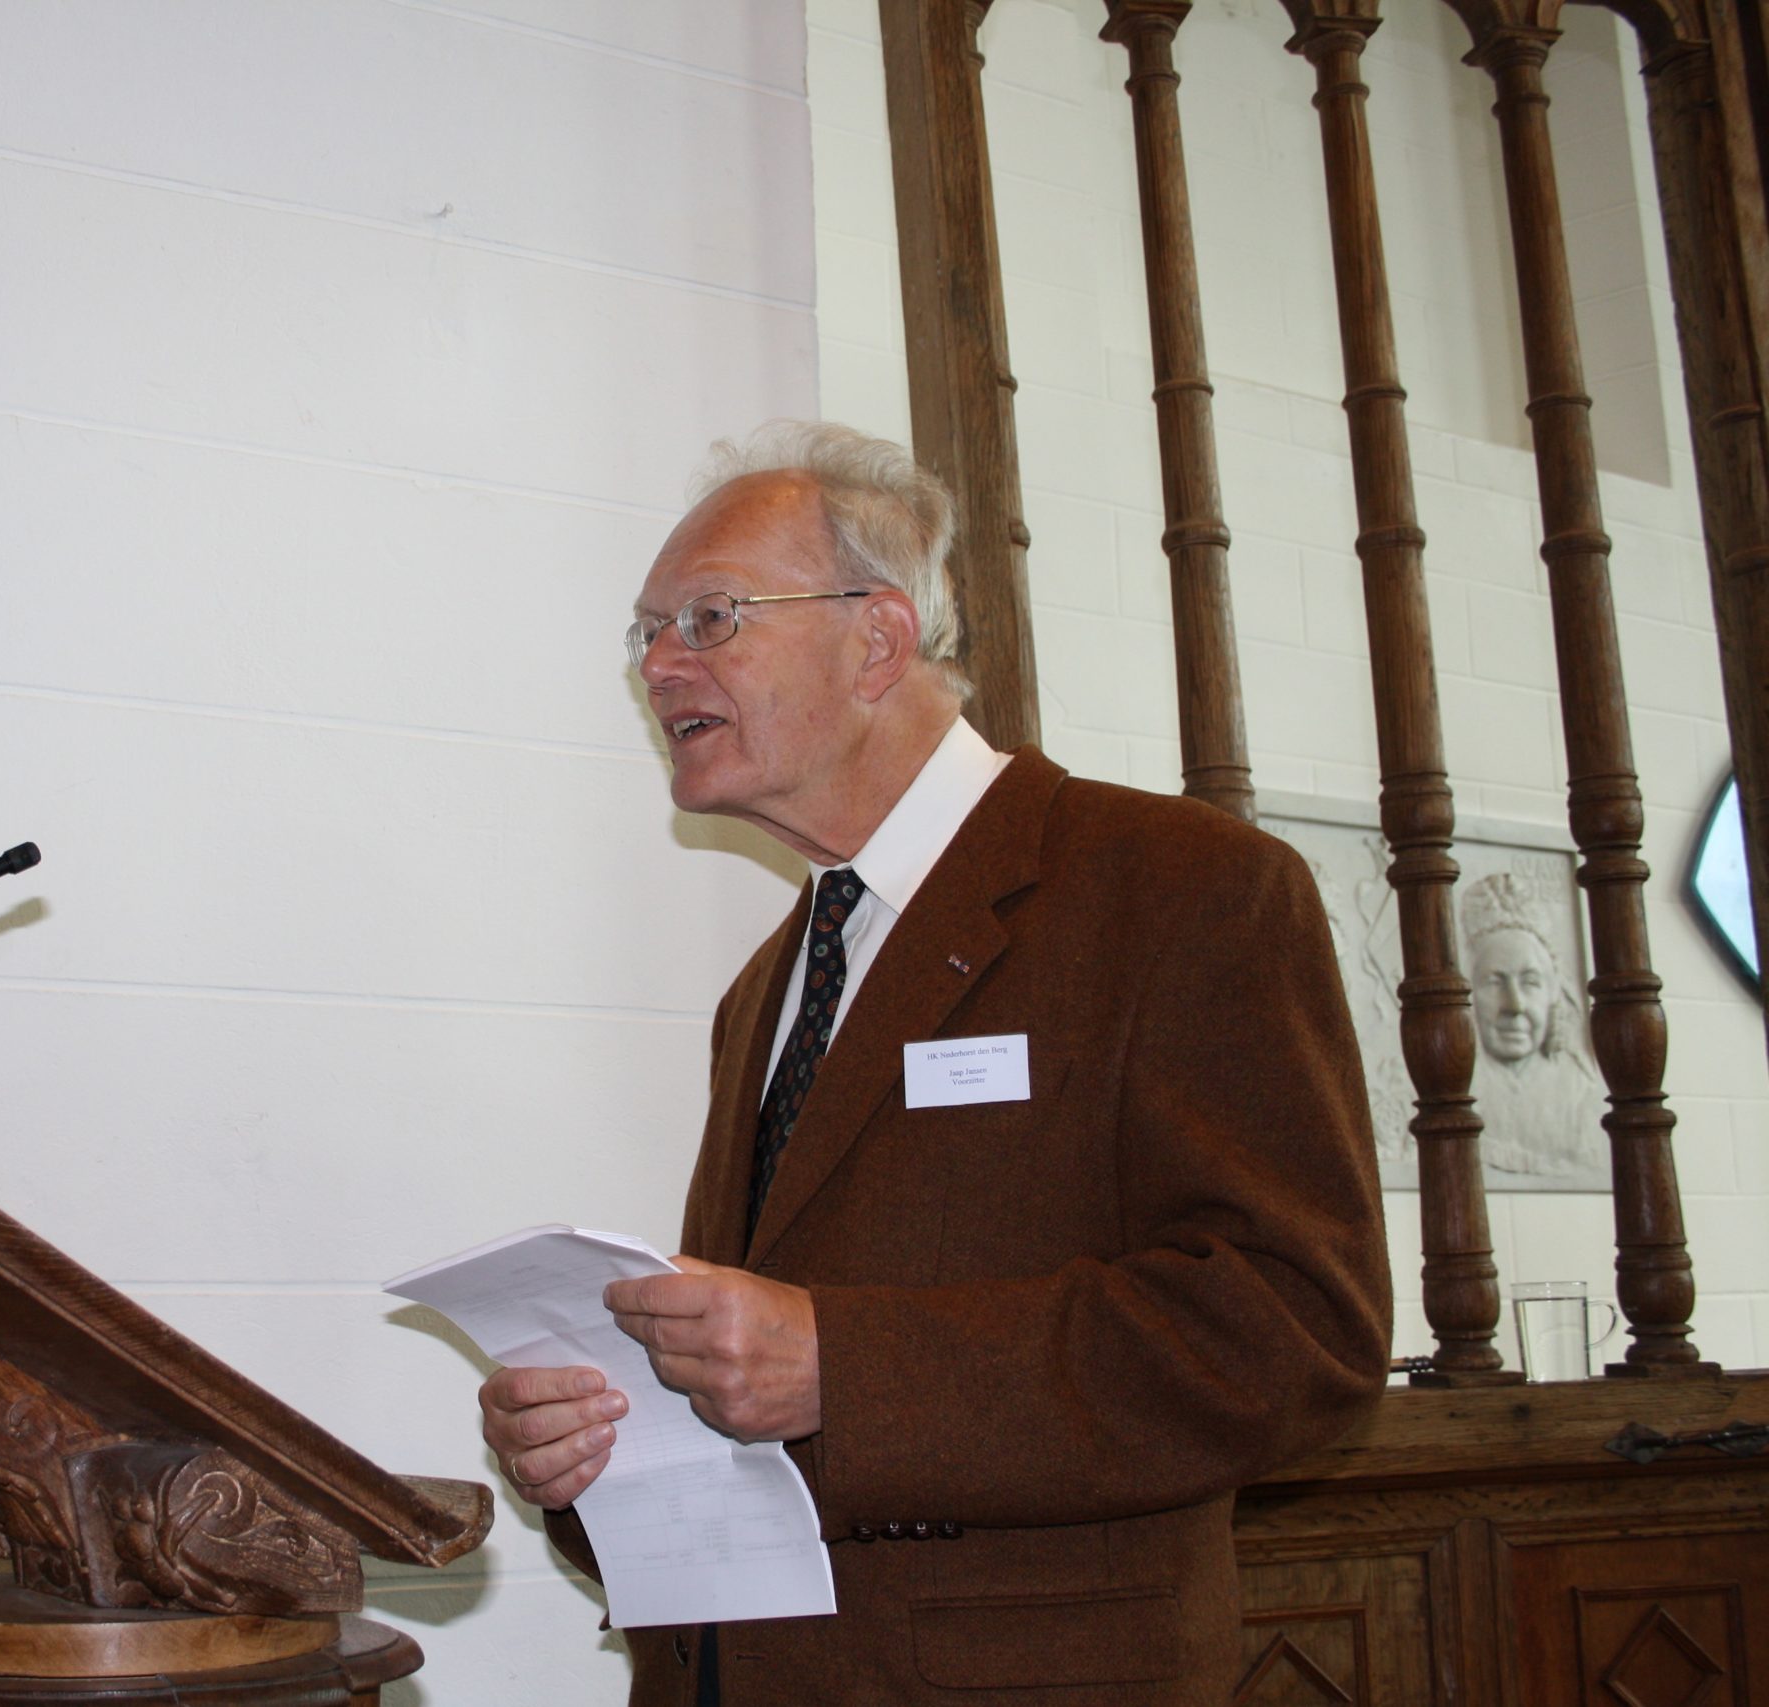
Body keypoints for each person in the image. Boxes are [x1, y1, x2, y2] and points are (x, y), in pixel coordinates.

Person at [478, 423, 1392, 1705]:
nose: (660, 664)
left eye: (710, 618)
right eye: (647, 633)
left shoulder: (1181, 889)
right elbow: (760, 1403)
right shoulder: (770, 986)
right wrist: (599, 1449)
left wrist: (844, 1370)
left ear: (878, 640)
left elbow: (1294, 1330)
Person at [1462, 871, 1606, 1181]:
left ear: (1554, 991)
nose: (1514, 1005)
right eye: (1494, 982)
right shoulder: (1450, 1090)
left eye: (1530, 982)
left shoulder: (1580, 1094)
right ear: (1468, 992)